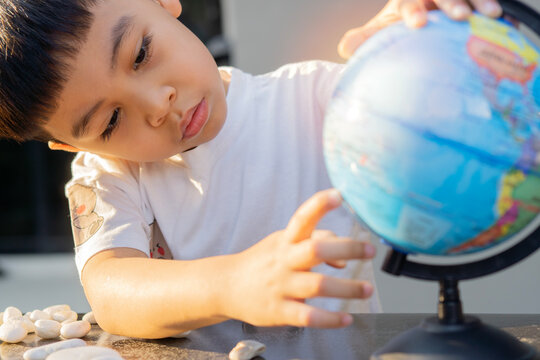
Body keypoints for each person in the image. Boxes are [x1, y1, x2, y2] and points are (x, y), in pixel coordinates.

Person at [0, 0, 502, 339]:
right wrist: (232, 284)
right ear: (69, 144)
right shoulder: (109, 174)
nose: (157, 105)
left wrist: (420, 45)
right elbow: (111, 290)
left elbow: (425, 112)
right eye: (110, 120)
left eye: (141, 54)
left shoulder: (316, 101)